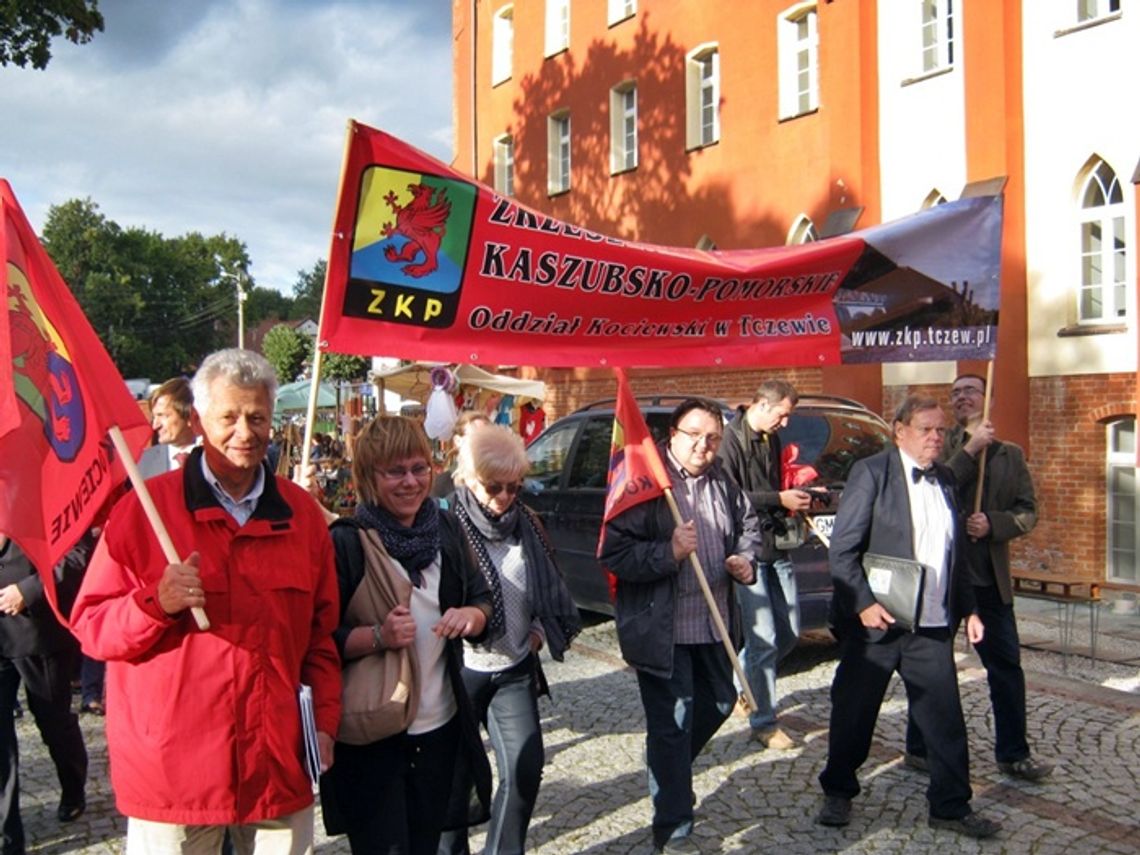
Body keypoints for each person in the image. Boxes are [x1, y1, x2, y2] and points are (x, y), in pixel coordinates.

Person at [71, 348, 341, 854]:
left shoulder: (303, 516)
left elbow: (321, 637)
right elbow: (91, 624)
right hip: (175, 773)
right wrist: (155, 603)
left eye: (257, 417)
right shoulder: (143, 511)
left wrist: (324, 724)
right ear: (198, 420)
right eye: (230, 417)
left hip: (275, 764)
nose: (245, 431)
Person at [817, 394, 1000, 839]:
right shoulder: (872, 473)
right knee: (855, 713)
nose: (936, 437)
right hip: (877, 622)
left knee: (945, 719)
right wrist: (862, 604)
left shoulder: (946, 481)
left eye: (941, 430)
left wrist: (970, 609)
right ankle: (838, 790)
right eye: (926, 428)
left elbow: (954, 556)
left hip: (932, 625)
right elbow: (842, 550)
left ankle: (951, 807)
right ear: (900, 431)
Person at [320, 415, 493, 854]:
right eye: (394, 471)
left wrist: (471, 617)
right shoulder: (347, 542)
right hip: (372, 733)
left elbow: (484, 599)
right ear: (368, 477)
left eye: (419, 468)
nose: (410, 481)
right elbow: (317, 641)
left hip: (440, 727)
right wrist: (377, 636)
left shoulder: (448, 530)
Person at [600, 399, 760, 854]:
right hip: (662, 630)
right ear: (673, 434)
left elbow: (749, 526)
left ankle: (667, 769)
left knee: (722, 701)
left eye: (712, 437)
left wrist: (744, 560)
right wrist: (667, 551)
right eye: (693, 434)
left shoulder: (723, 480)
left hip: (715, 623)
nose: (703, 445)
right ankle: (672, 821)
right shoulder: (645, 486)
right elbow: (614, 554)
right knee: (672, 723)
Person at [439, 424, 581, 855]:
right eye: (493, 486)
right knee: (455, 781)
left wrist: (538, 632)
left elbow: (546, 585)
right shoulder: (445, 523)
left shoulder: (528, 524)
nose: (504, 496)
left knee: (524, 767)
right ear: (467, 477)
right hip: (460, 670)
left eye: (514, 487)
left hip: (514, 665)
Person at [903, 374, 1049, 780]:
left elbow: (1027, 510)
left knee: (1005, 668)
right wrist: (971, 448)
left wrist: (996, 524)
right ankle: (919, 747)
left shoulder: (1009, 455)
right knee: (931, 666)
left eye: (969, 390)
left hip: (989, 578)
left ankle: (1014, 752)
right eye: (954, 392)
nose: (960, 396)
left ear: (988, 399)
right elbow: (935, 485)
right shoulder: (938, 447)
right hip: (944, 578)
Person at [717, 379, 812, 749]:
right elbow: (730, 497)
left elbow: (775, 488)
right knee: (763, 638)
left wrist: (794, 497)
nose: (785, 424)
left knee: (788, 632)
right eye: (782, 415)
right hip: (748, 552)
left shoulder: (771, 439)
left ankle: (744, 680)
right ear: (762, 404)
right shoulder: (730, 440)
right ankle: (764, 722)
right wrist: (779, 496)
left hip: (777, 546)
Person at [0, 535, 89, 855]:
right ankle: (8, 839)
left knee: (55, 725)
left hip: (39, 637)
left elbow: (78, 555)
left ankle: (73, 787)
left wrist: (29, 590)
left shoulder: (37, 499)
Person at [137, 377, 198, 478]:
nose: (155, 426)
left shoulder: (218, 457)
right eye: (154, 417)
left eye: (162, 415)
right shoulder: (142, 463)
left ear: (190, 416)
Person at [431, 411, 491, 500]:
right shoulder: (441, 484)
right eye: (475, 437)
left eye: (487, 437)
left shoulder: (502, 484)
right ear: (458, 441)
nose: (482, 443)